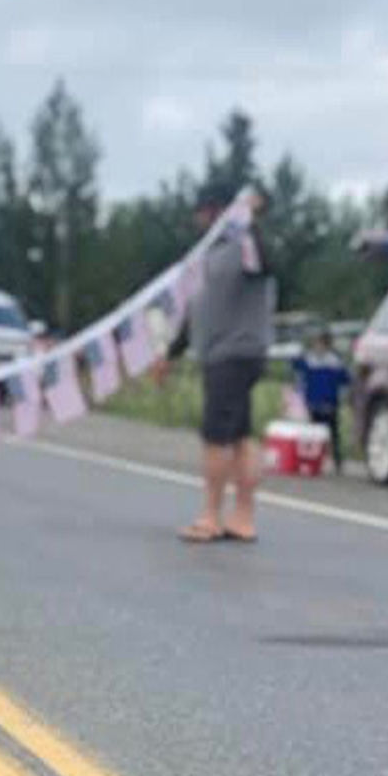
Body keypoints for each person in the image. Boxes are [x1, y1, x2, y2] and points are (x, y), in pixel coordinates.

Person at [156, 181, 274, 544]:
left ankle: (210, 516)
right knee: (239, 436)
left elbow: (268, 264)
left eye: (202, 212)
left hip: (234, 352)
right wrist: (171, 355)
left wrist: (249, 219)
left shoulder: (245, 247)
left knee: (215, 436)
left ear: (216, 211)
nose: (197, 220)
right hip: (224, 352)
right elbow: (195, 312)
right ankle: (242, 518)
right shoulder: (208, 256)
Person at [292, 328, 351, 473]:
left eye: (321, 344)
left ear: (327, 345)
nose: (318, 347)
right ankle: (314, 460)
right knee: (314, 433)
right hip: (314, 403)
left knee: (333, 434)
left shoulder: (335, 362)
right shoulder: (309, 360)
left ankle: (336, 461)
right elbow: (296, 366)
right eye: (316, 344)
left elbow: (346, 379)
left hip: (330, 403)